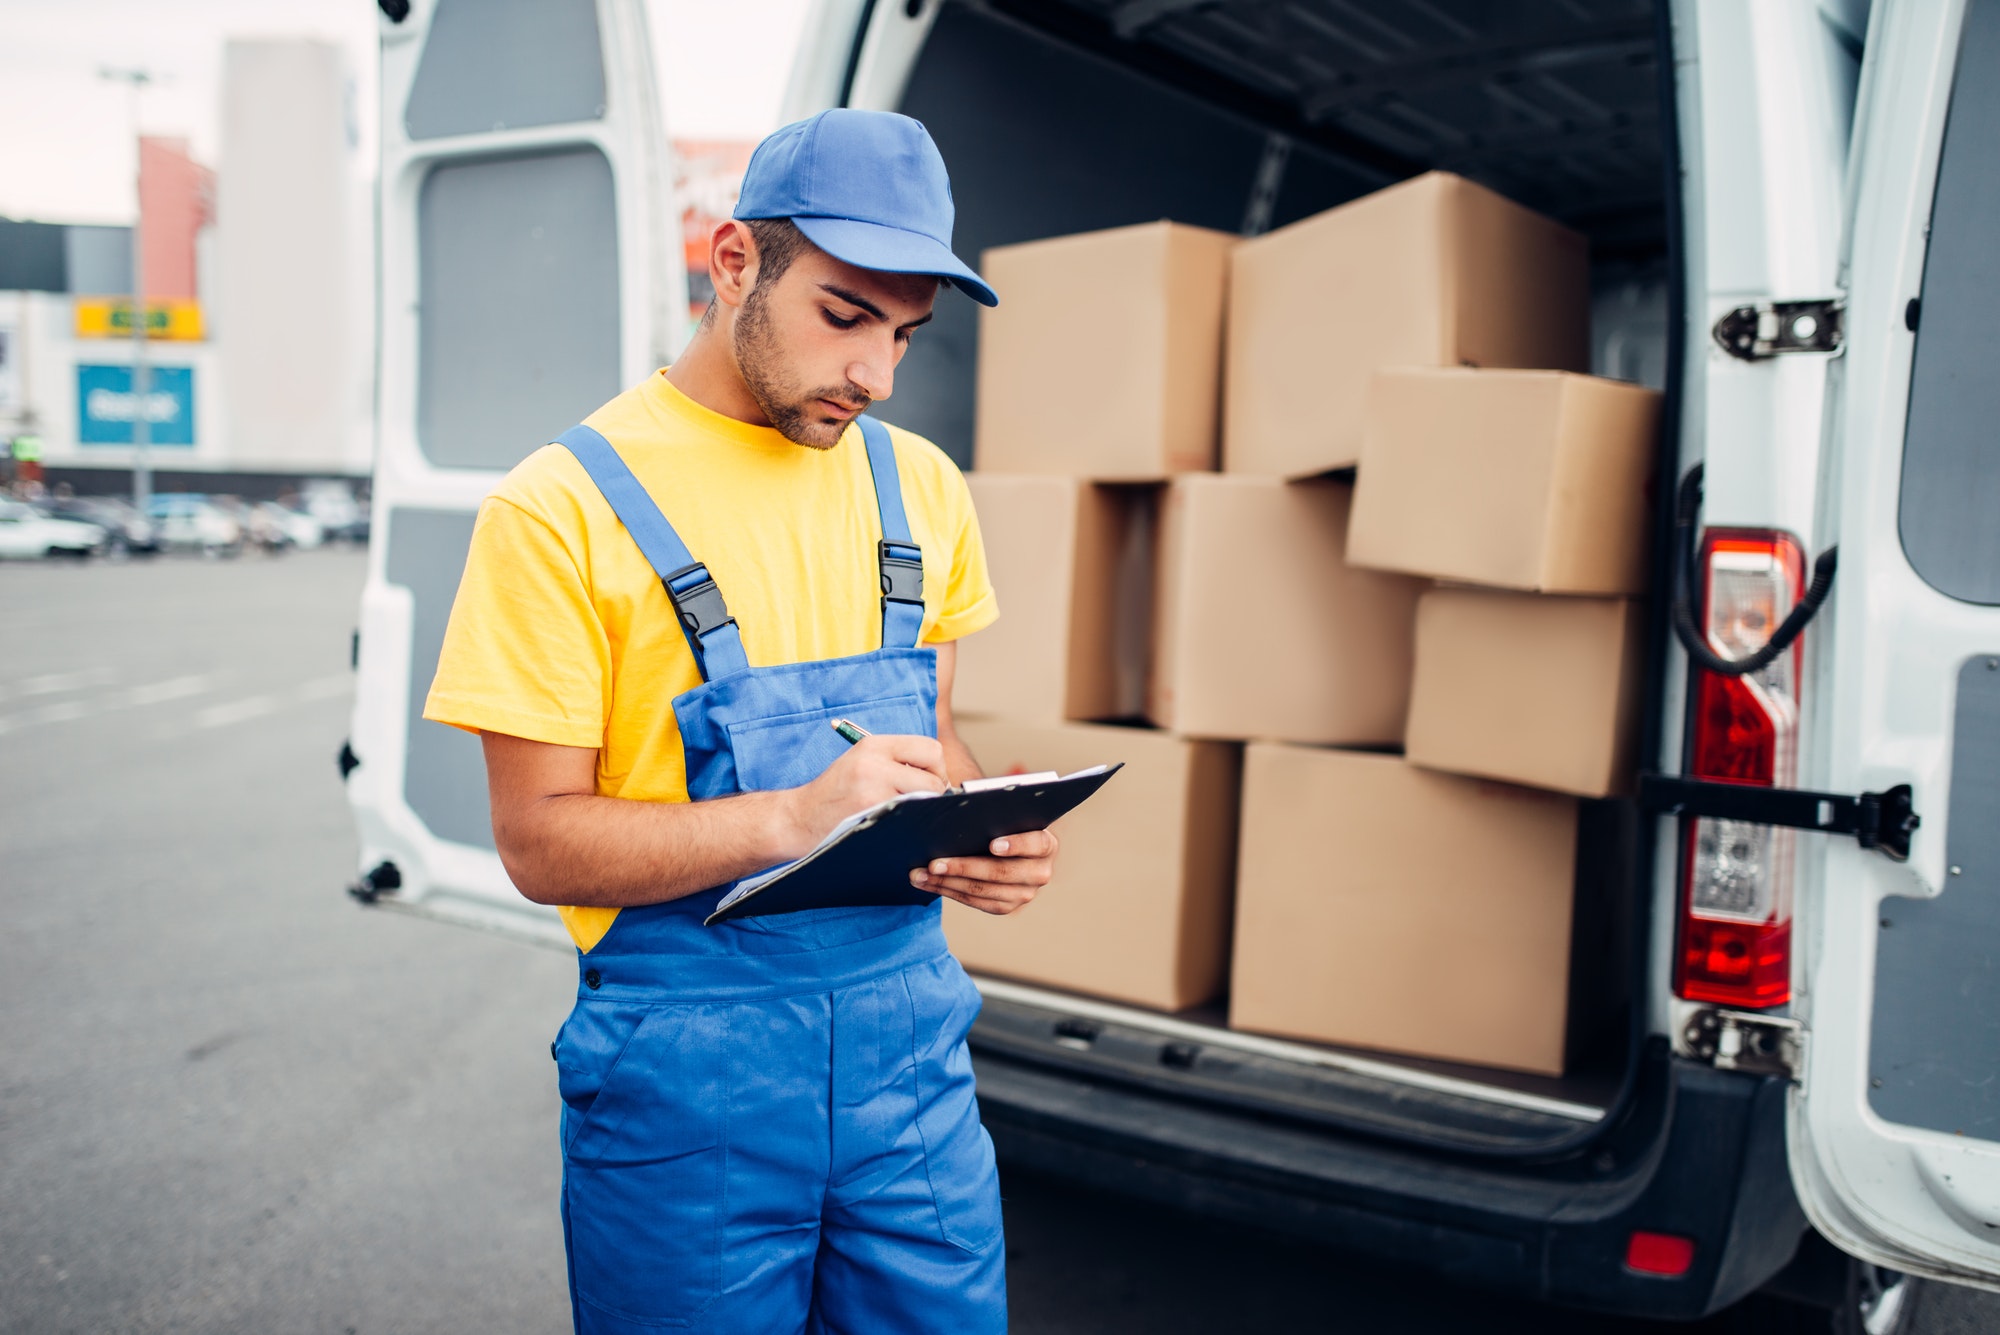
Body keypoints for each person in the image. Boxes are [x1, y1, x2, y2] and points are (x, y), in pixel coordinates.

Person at [423, 109, 1055, 1335]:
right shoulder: (559, 509)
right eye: (843, 314)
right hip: (685, 1079)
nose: (874, 373)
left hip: (911, 1060)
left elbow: (931, 738)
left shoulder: (918, 484)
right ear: (732, 264)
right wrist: (794, 817)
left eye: (905, 334)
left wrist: (982, 827)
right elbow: (537, 842)